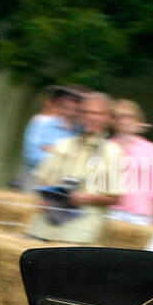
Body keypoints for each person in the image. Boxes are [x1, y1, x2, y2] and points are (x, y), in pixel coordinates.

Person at [25, 91, 123, 244]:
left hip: (83, 221)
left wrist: (85, 198)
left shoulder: (112, 152)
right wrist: (44, 198)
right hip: (50, 217)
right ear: (80, 115)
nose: (92, 117)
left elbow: (114, 197)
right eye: (87, 112)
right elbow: (43, 181)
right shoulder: (64, 144)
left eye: (99, 113)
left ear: (108, 118)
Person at [107, 99, 153, 225]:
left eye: (129, 116)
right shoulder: (107, 146)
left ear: (138, 120)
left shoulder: (150, 148)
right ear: (113, 121)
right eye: (119, 117)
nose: (124, 120)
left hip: (141, 213)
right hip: (111, 211)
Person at [20, 86, 80, 186]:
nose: (72, 106)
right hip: (36, 179)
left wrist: (55, 150)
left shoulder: (80, 131)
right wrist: (65, 155)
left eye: (76, 101)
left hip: (64, 184)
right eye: (70, 100)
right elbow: (33, 156)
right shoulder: (40, 123)